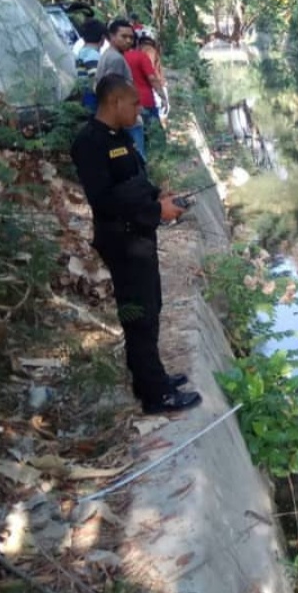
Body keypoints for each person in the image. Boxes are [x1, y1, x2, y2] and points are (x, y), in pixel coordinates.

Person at [70, 76, 202, 415]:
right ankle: (155, 396)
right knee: (139, 315)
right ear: (115, 102)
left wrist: (158, 195)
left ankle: (150, 379)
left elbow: (135, 179)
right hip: (122, 240)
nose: (139, 110)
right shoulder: (90, 143)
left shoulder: (120, 137)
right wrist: (157, 211)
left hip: (139, 236)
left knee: (151, 307)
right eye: (133, 104)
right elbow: (105, 200)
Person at [96, 19, 145, 159]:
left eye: (131, 37)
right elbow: (114, 92)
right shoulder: (115, 59)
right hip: (125, 117)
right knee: (137, 156)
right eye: (123, 36)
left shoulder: (108, 54)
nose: (128, 40)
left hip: (118, 116)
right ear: (111, 37)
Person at [74, 18, 105, 113]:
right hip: (92, 98)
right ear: (103, 38)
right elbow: (95, 80)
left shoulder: (81, 52)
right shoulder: (93, 55)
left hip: (84, 95)